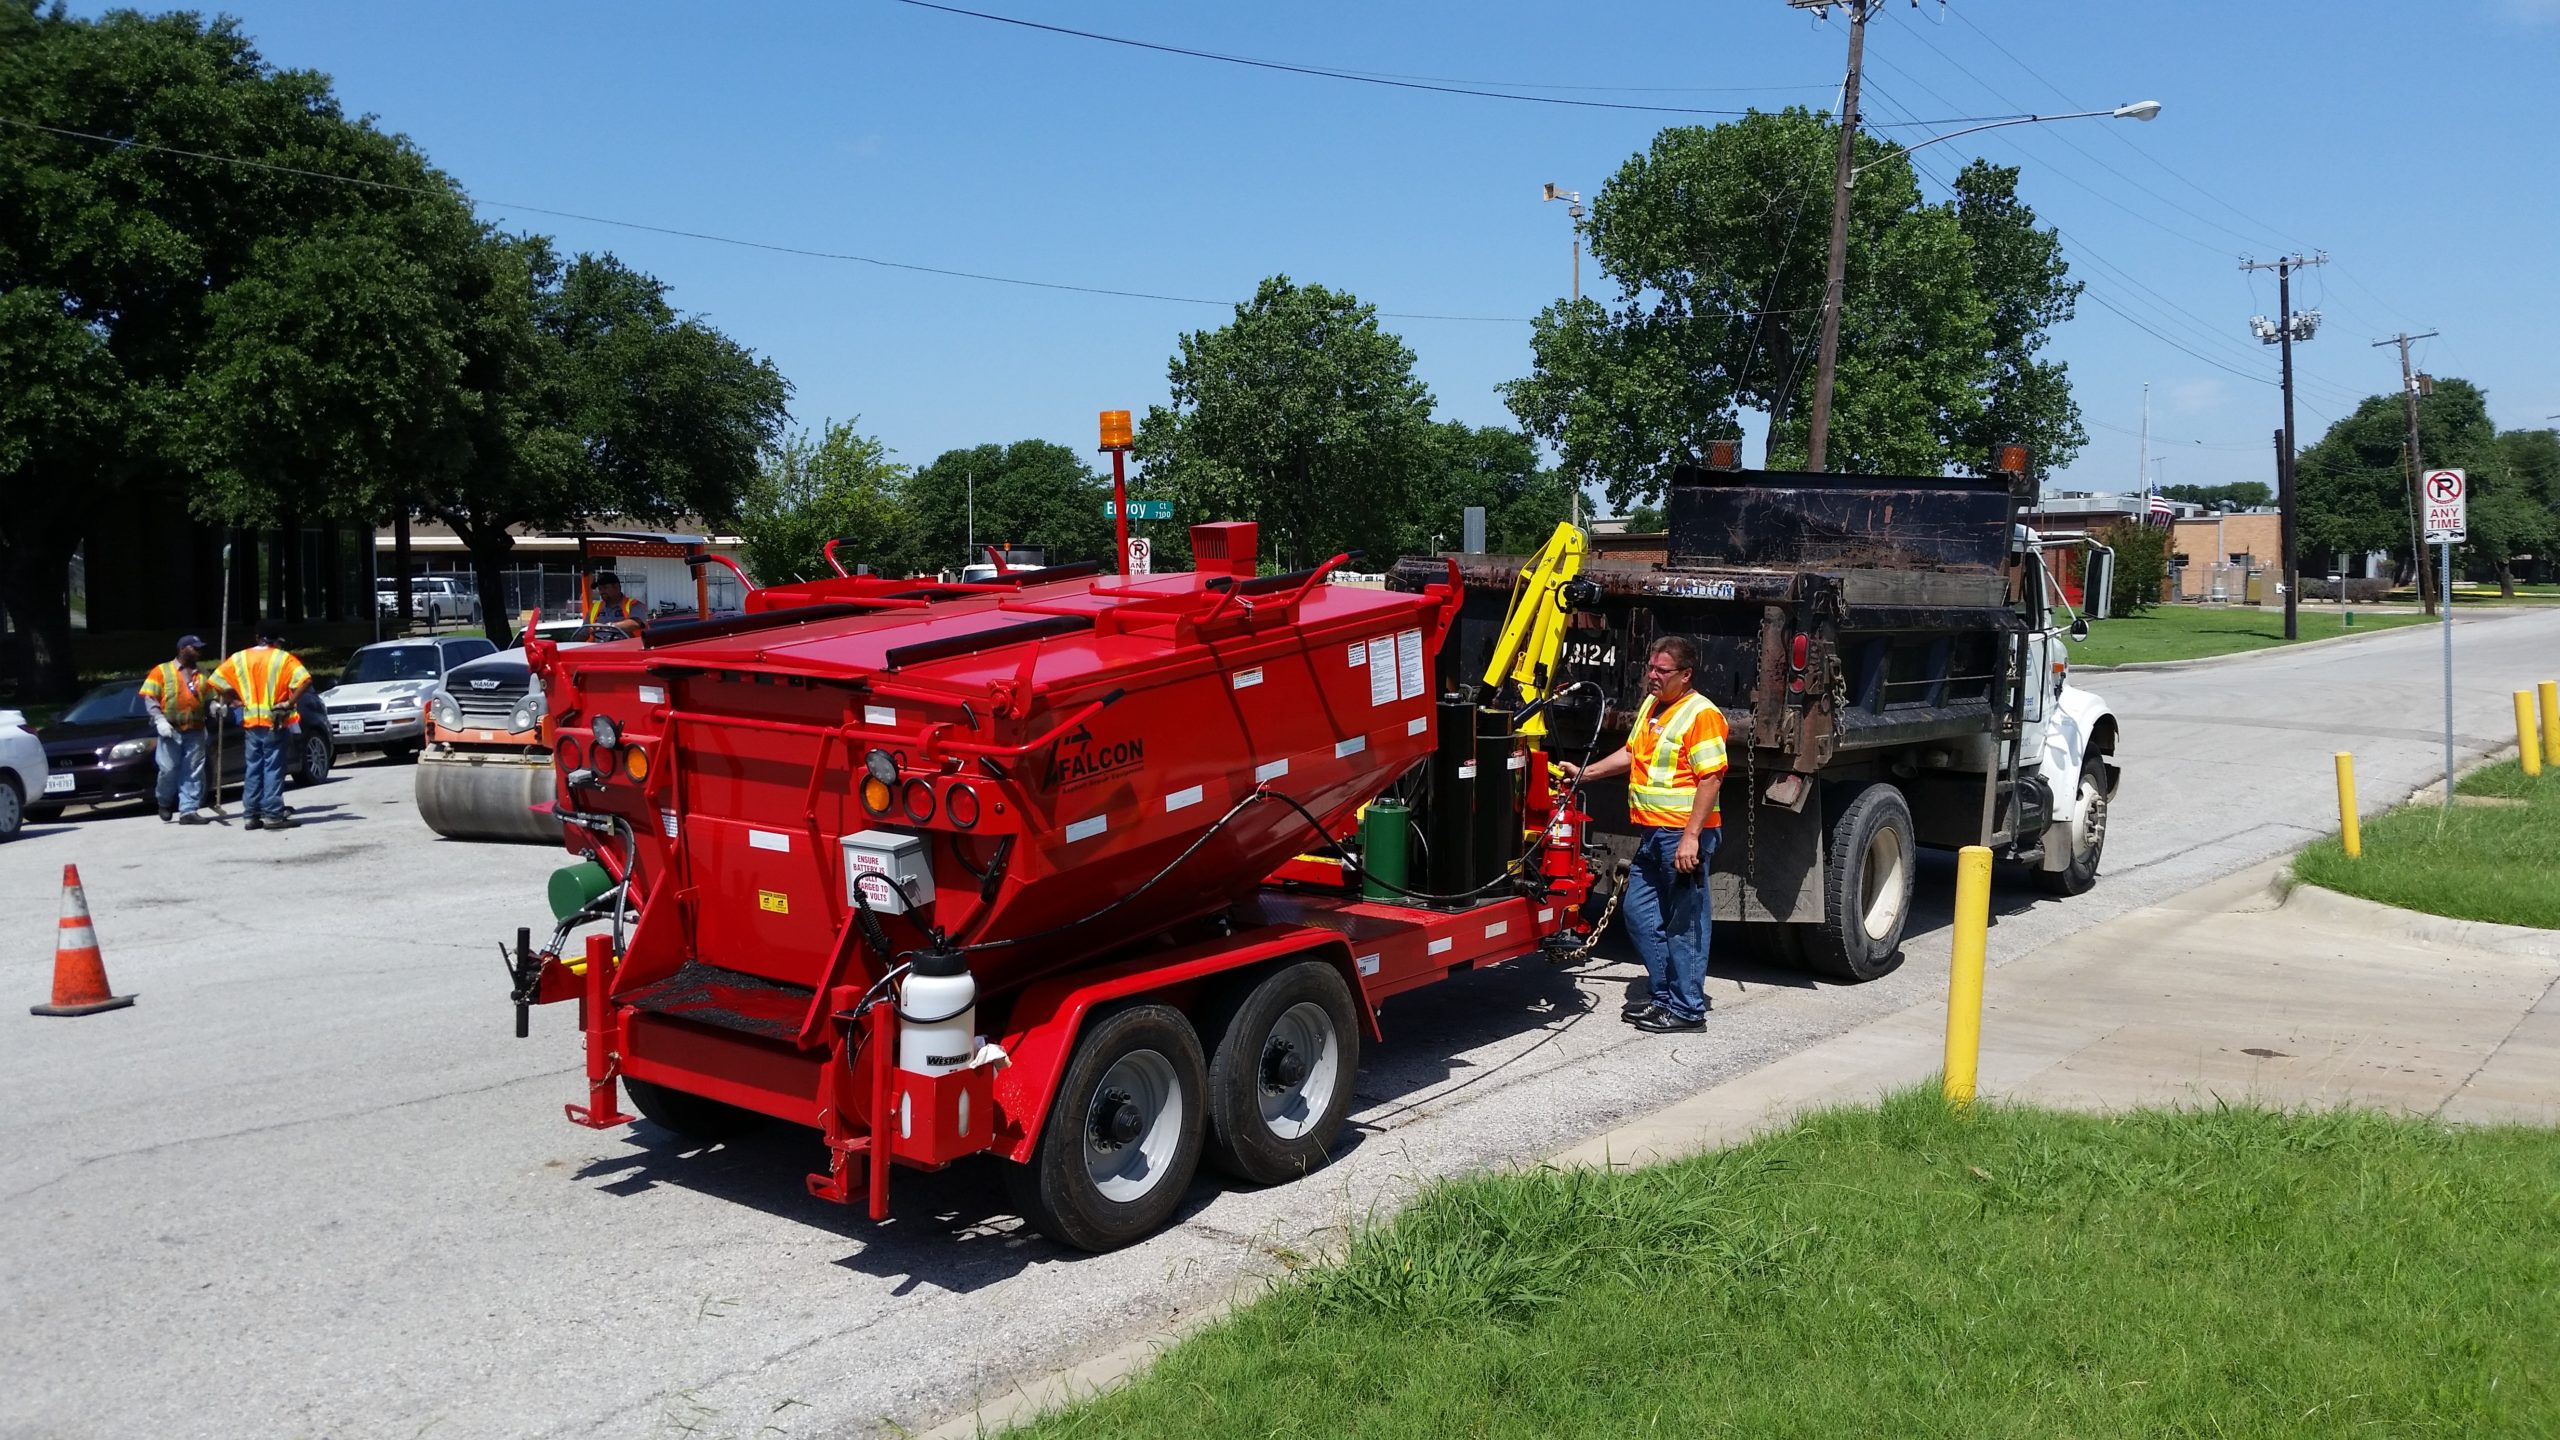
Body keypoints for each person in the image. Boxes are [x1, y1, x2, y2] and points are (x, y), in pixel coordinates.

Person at [1557, 635, 1729, 1033]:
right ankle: (1664, 995)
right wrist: (1586, 773)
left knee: (1684, 925)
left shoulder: (1700, 714)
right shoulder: (1654, 706)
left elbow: (1711, 777)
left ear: (1685, 675)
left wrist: (1691, 838)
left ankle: (1687, 1010)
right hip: (1653, 834)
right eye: (1650, 668)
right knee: (1638, 913)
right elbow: (1633, 753)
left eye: (1662, 671)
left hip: (1682, 837)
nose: (1652, 676)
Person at [210, 627, 311, 832]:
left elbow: (215, 681)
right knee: (273, 768)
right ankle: (273, 814)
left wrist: (234, 700)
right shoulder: (282, 658)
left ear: (257, 638)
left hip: (251, 722)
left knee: (253, 768)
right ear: (275, 641)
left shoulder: (239, 658)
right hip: (274, 721)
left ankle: (251, 815)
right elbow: (305, 680)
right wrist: (289, 703)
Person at [139, 634, 215, 824]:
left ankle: (188, 810)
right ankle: (164, 801)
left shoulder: (202, 672)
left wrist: (214, 706)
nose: (198, 651)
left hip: (195, 728)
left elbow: (209, 696)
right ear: (182, 649)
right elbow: (150, 697)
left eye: (199, 648)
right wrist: (159, 720)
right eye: (194, 648)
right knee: (169, 769)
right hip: (170, 729)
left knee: (193, 769)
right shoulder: (161, 671)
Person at [584, 572, 645, 637]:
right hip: (597, 646)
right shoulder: (594, 608)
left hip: (627, 646)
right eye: (600, 589)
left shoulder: (634, 605)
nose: (602, 592)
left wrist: (608, 626)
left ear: (617, 587)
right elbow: (583, 632)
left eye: (605, 588)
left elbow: (635, 623)